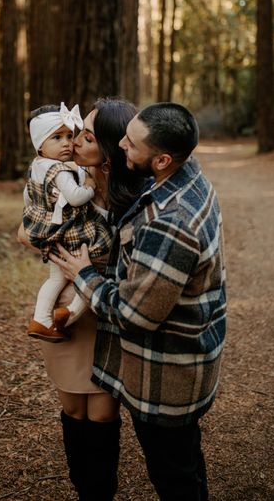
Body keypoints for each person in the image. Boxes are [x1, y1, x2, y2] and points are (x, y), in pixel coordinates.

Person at [51, 102, 226, 501]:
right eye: (124, 135)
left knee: (173, 476)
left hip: (167, 374)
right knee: (184, 462)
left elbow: (132, 315)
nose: (122, 146)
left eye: (130, 144)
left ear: (162, 159)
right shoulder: (185, 178)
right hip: (187, 355)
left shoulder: (170, 223)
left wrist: (84, 275)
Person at [18, 98, 145, 500]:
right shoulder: (64, 176)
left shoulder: (132, 190)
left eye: (85, 136)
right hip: (67, 305)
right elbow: (26, 230)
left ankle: (100, 491)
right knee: (73, 408)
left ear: (108, 147)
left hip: (107, 306)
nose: (73, 142)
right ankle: (83, 487)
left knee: (103, 412)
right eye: (73, 134)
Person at [23, 102, 113, 343]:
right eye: (57, 138)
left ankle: (41, 319)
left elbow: (28, 198)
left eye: (68, 136)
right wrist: (89, 188)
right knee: (93, 271)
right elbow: (75, 198)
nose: (66, 143)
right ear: (40, 144)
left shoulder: (36, 168)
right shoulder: (60, 170)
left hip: (51, 233)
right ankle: (70, 312)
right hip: (74, 234)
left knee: (55, 279)